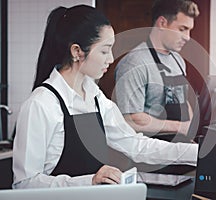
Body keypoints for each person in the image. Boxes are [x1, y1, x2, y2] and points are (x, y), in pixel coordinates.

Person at [12, 4, 198, 189]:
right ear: (77, 51)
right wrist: (89, 181)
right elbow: (25, 184)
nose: (110, 58)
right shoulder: (41, 104)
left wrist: (196, 153)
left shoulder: (96, 98)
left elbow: (136, 145)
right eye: (104, 50)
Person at [114, 0, 200, 142]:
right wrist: (180, 127)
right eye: (182, 29)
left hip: (179, 145)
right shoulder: (135, 63)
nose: (188, 37)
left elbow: (182, 100)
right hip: (149, 154)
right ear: (162, 23)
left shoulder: (178, 60)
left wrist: (190, 132)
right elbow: (131, 119)